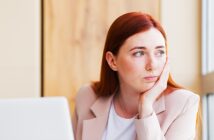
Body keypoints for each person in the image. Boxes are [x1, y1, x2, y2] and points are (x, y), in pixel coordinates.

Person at [72, 12, 200, 140]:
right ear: (112, 61)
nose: (152, 65)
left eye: (159, 52)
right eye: (139, 53)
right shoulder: (87, 96)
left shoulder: (183, 104)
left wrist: (146, 107)